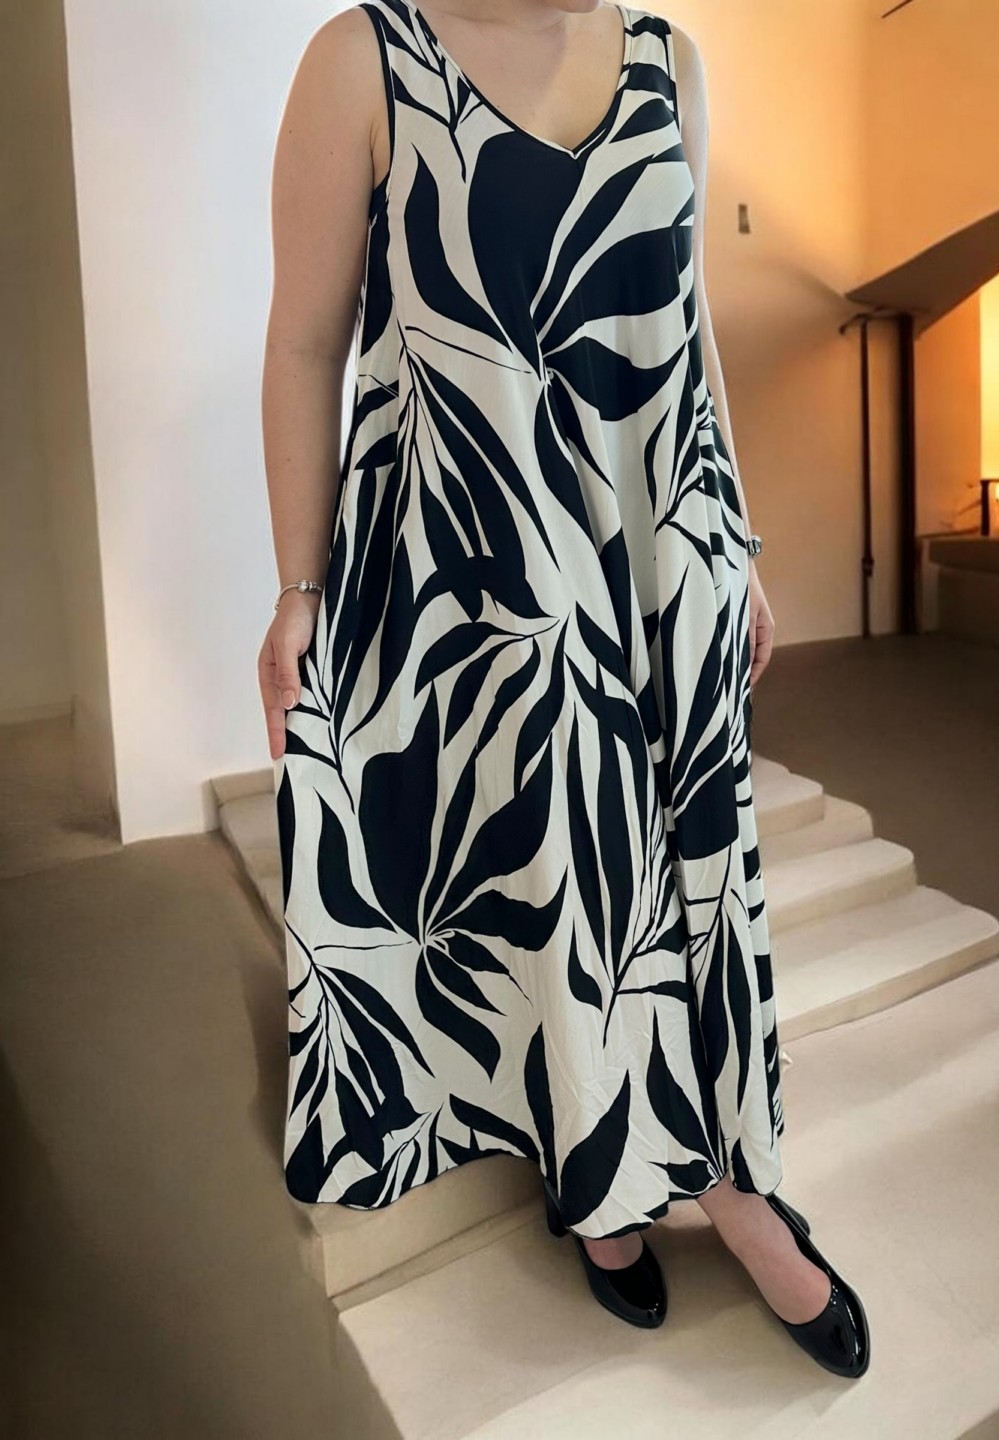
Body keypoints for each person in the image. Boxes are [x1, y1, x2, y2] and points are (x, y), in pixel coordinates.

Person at [259, 0, 869, 1378]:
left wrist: (736, 539)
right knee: (565, 879)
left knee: (686, 881)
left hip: (661, 553)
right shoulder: (367, 61)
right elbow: (304, 344)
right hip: (484, 578)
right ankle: (627, 1194)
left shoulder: (670, 63)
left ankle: (712, 1190)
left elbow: (686, 326)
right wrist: (299, 589)